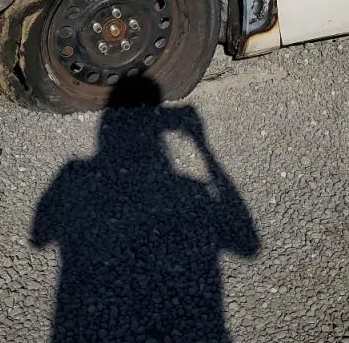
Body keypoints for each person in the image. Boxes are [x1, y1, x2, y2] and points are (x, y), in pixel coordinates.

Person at [30, 75, 259, 342]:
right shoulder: (192, 190)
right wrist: (202, 146)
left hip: (88, 324)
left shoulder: (74, 176)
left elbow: (40, 236)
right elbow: (247, 244)